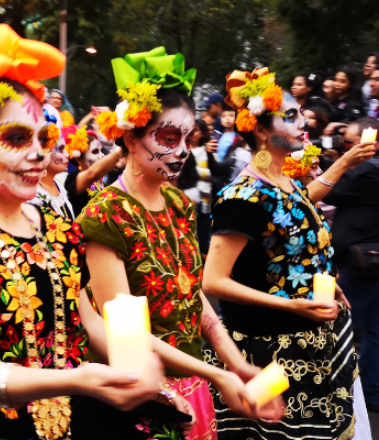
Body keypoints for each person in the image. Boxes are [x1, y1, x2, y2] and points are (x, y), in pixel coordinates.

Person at [0, 21, 192, 440]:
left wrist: (139, 369)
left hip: (62, 427)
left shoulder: (61, 231)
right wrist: (77, 379)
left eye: (43, 137)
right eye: (15, 137)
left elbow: (91, 324)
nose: (38, 152)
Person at [89, 52, 282, 440]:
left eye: (188, 139)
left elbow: (192, 292)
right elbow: (124, 332)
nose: (181, 151)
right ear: (130, 137)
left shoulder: (178, 203)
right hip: (144, 397)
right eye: (168, 137)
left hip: (194, 388)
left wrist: (237, 363)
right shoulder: (105, 214)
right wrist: (218, 373)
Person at [202, 67, 371, 439]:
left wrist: (320, 282)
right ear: (262, 131)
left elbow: (287, 216)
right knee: (271, 432)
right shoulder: (241, 195)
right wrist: (290, 305)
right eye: (290, 116)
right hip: (269, 353)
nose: (302, 122)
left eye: (300, 113)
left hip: (314, 341)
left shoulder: (283, 181)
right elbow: (212, 280)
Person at [324, 116, 379, 412]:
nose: (345, 148)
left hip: (358, 260)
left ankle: (324, 388)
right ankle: (374, 394)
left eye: (349, 143)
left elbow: (330, 191)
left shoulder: (368, 170)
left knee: (332, 323)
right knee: (377, 329)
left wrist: (338, 164)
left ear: (368, 141)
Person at [62, 125, 123, 215]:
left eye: (101, 150)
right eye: (95, 152)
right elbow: (92, 174)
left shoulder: (100, 181)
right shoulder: (72, 178)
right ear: (78, 159)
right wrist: (121, 150)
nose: (102, 155)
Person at [31, 127, 74, 218]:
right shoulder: (33, 195)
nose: (67, 154)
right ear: (43, 153)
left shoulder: (60, 187)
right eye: (61, 149)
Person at [187, 120, 214, 254]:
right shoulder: (182, 150)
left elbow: (211, 172)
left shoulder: (206, 151)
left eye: (195, 130)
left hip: (204, 197)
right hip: (186, 196)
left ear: (202, 134)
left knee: (202, 228)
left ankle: (202, 256)